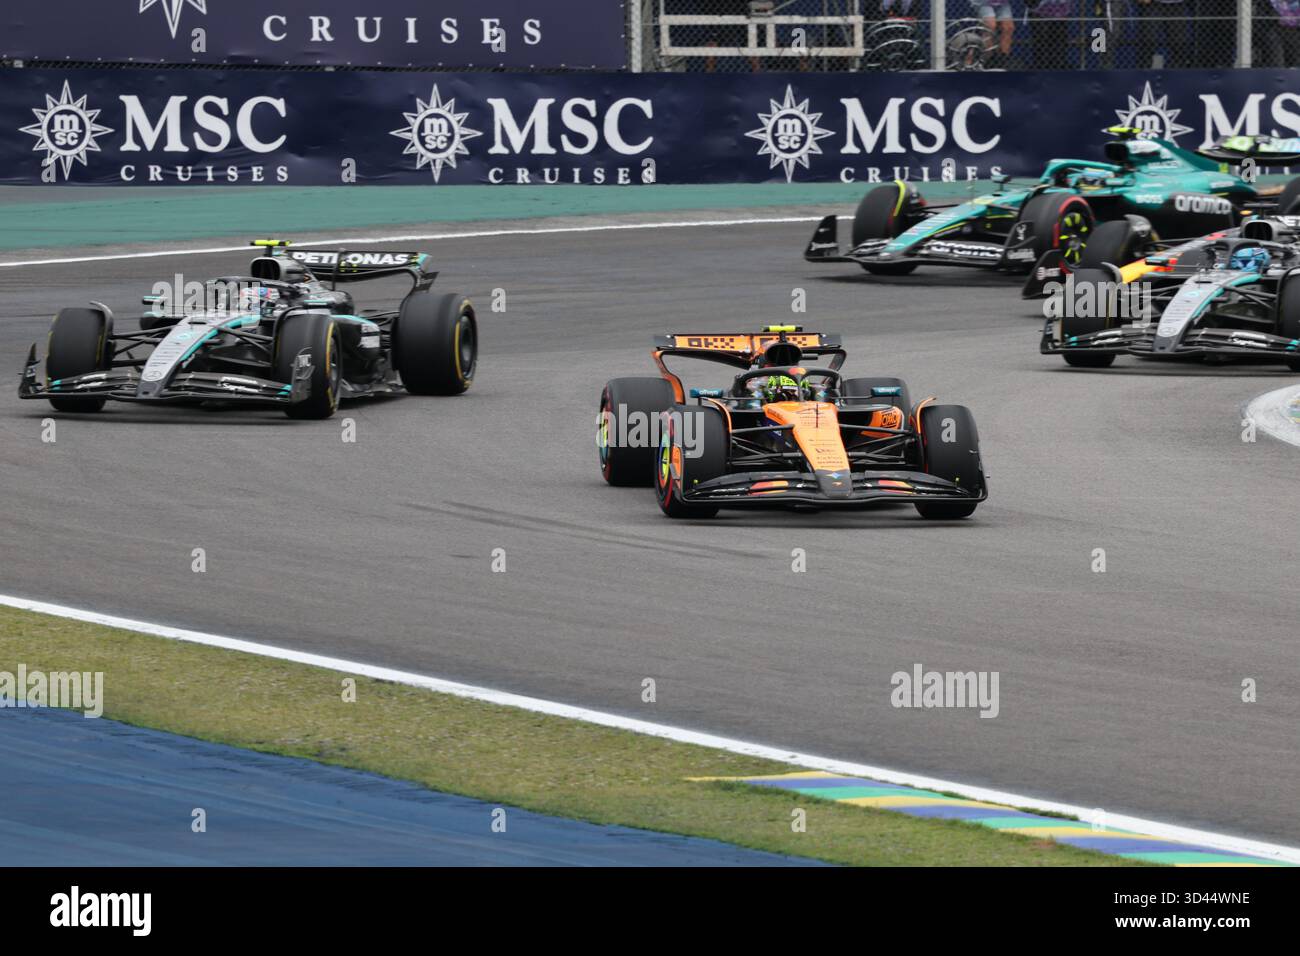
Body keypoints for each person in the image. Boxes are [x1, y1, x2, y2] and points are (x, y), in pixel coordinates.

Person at [1132, 0, 1190, 68]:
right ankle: (1144, 73)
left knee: (1179, 42)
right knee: (1149, 40)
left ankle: (1178, 72)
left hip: (1177, 4)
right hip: (1153, 5)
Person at [1027, 0, 1074, 69]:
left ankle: (1059, 62)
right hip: (1040, 12)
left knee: (1060, 37)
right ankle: (1041, 63)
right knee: (1041, 38)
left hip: (1059, 12)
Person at [971, 0, 1016, 68]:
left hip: (1002, 2)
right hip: (983, 2)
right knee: (990, 25)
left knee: (1008, 27)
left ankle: (1002, 60)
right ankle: (987, 60)